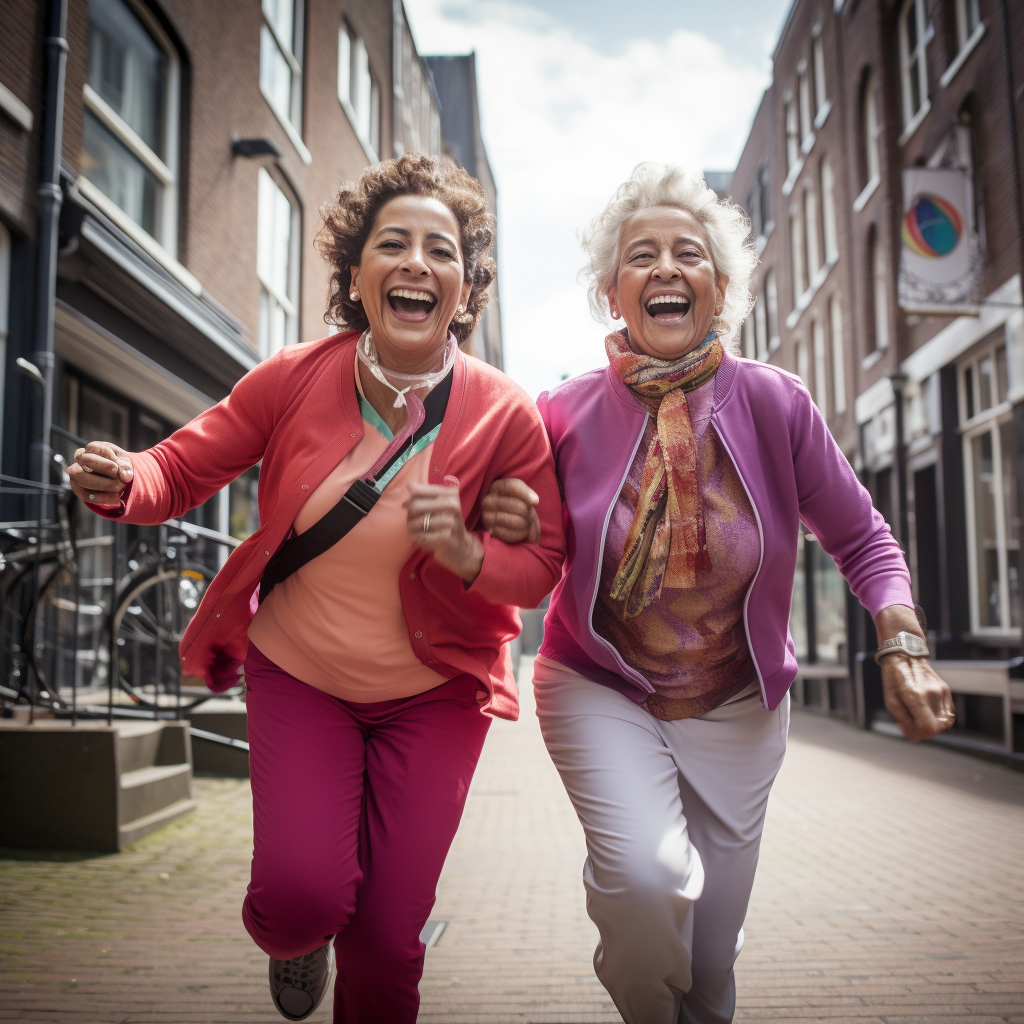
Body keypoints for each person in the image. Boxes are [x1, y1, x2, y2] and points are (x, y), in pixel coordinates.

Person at [67, 153, 565, 1024]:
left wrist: (471, 556)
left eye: (441, 250)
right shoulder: (296, 375)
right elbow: (183, 464)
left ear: (466, 284)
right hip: (302, 677)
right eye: (394, 244)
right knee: (306, 898)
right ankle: (294, 938)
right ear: (356, 273)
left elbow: (541, 562)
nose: (417, 263)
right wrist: (127, 480)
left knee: (384, 936)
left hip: (435, 694)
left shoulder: (504, 412)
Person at [483, 163, 955, 1024]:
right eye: (642, 256)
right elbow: (528, 561)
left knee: (706, 963)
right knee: (645, 884)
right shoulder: (556, 414)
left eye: (687, 254)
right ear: (612, 292)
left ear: (721, 287)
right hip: (602, 686)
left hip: (737, 705)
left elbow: (861, 536)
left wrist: (903, 640)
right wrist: (500, 527)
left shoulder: (777, 403)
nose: (666, 268)